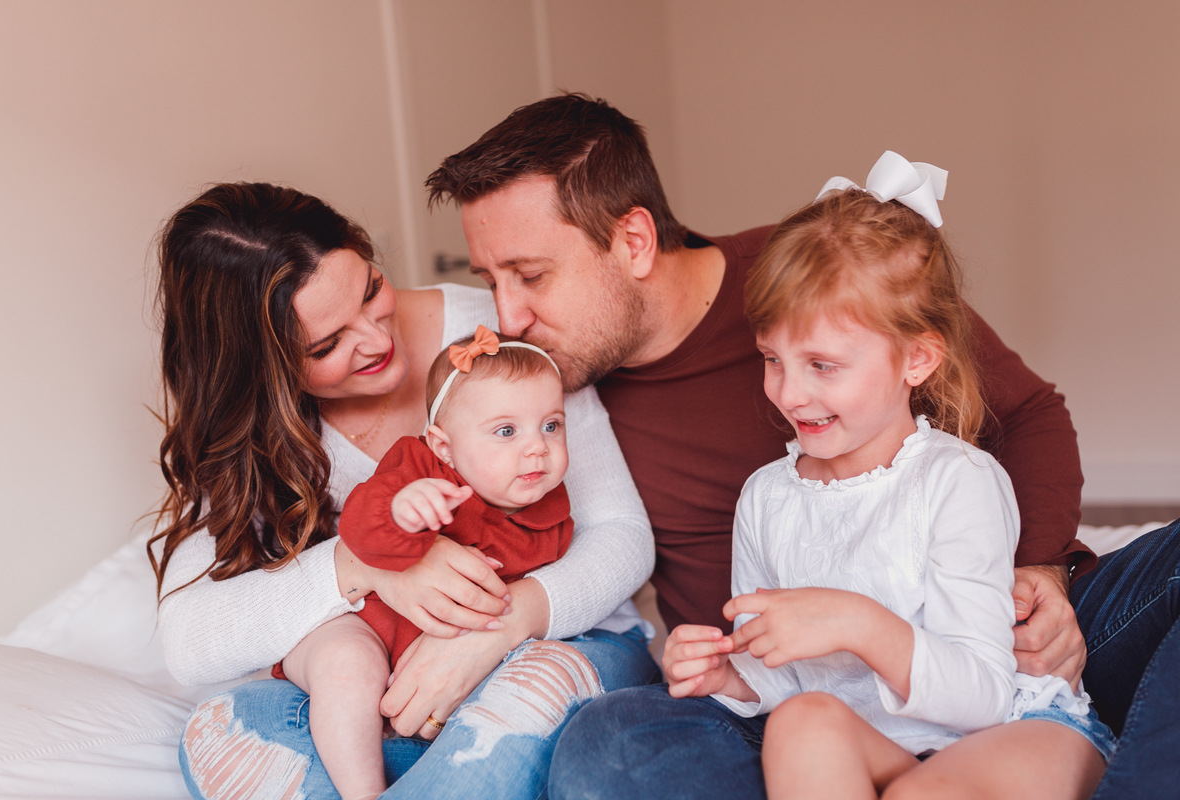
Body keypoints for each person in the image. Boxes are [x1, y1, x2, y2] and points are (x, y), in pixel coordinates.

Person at [422, 93, 1180, 797]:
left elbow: (1033, 415)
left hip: (988, 640)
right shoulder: (543, 385)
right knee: (608, 746)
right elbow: (375, 323)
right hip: (794, 692)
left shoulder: (819, 275)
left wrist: (1040, 571)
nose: (507, 316)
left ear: (635, 240)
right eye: (489, 280)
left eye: (530, 275)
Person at [150, 182, 658, 800]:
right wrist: (365, 565)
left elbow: (621, 535)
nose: (376, 339)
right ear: (260, 368)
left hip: (556, 644)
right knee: (226, 731)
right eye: (326, 345)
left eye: (370, 291)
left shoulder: (499, 337)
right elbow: (188, 643)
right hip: (391, 689)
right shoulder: (250, 433)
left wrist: (505, 625)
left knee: (527, 694)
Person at [662, 158, 1111, 799]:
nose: (789, 393)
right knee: (799, 724)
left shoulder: (957, 482)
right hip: (890, 745)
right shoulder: (766, 498)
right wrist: (728, 676)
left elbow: (985, 694)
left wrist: (857, 622)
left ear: (917, 359)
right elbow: (789, 679)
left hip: (1014, 730)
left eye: (822, 364)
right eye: (772, 359)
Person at [278, 327, 573, 799]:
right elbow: (358, 529)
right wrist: (401, 511)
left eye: (551, 425)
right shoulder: (421, 472)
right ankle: (363, 793)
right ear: (444, 446)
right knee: (348, 668)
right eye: (506, 431)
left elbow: (549, 597)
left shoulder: (551, 512)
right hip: (364, 625)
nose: (537, 446)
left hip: (435, 665)